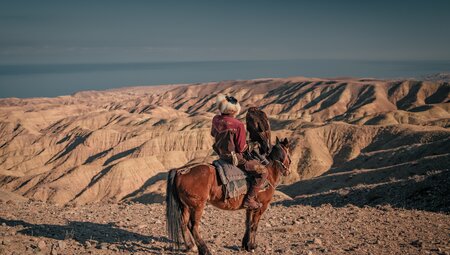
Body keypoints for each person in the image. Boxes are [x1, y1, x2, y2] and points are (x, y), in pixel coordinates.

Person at [210, 94, 267, 209]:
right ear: (235, 110)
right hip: (235, 159)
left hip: (221, 155)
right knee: (263, 172)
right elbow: (241, 148)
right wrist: (251, 145)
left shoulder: (215, 119)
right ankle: (249, 200)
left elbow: (213, 133)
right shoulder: (238, 125)